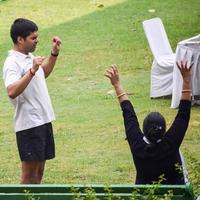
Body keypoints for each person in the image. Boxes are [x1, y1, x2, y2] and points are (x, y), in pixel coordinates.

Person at [105, 62, 192, 184]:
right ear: (164, 131)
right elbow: (183, 115)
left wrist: (117, 84)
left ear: (144, 130)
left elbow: (129, 115)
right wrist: (186, 80)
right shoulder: (171, 143)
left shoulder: (137, 144)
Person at [3, 18, 61, 184]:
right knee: (29, 177)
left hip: (43, 120)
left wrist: (54, 53)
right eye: (33, 38)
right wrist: (32, 70)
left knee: (39, 174)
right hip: (29, 124)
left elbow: (43, 74)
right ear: (20, 39)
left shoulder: (29, 57)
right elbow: (12, 91)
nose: (37, 41)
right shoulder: (12, 63)